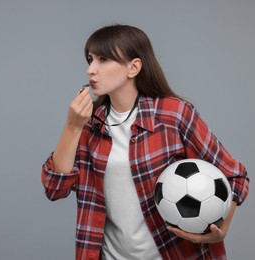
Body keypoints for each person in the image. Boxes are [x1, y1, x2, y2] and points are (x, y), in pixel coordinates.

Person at [41, 24, 249, 260]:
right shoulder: (89, 126)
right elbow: (54, 188)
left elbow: (235, 176)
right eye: (90, 59)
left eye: (103, 59)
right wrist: (72, 126)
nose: (91, 70)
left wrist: (221, 230)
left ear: (134, 67)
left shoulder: (174, 114)